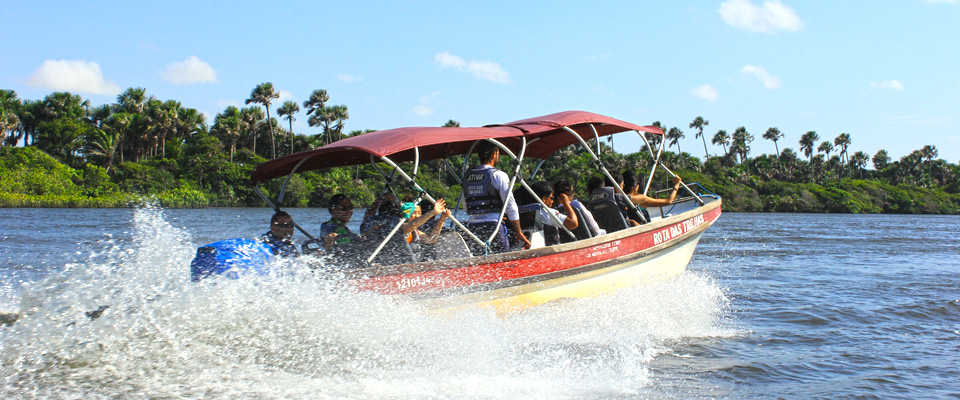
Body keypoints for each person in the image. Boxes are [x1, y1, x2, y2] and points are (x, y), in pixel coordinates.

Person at [461, 141, 531, 254]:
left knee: (480, 260)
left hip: (473, 227)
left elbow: (466, 207)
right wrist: (518, 232)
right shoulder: (498, 175)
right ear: (495, 154)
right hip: (493, 226)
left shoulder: (467, 176)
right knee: (503, 259)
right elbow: (511, 206)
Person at [530, 180, 578, 246]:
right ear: (544, 199)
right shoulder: (546, 212)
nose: (552, 201)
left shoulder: (521, 212)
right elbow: (573, 223)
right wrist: (566, 203)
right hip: (549, 249)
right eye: (552, 198)